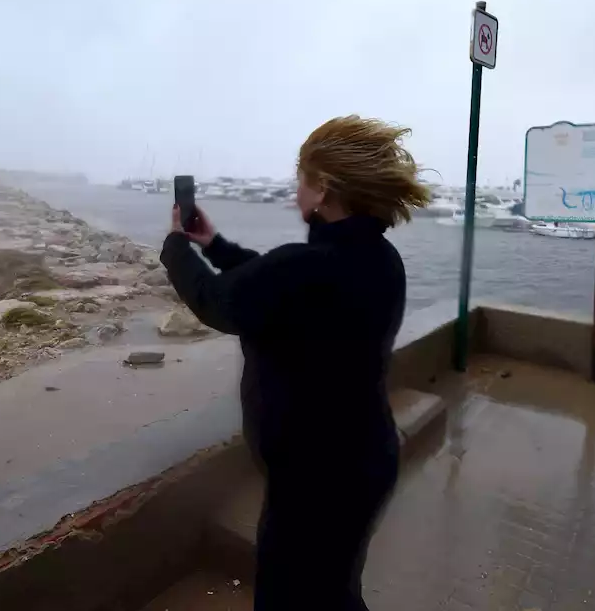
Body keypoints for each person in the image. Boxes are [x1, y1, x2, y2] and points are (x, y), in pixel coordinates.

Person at [160, 115, 430, 610]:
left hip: (314, 482)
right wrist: (216, 246)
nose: (294, 195)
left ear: (323, 188)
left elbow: (218, 301)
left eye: (300, 182)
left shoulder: (307, 268)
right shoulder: (378, 260)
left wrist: (176, 245)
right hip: (363, 460)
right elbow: (279, 289)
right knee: (334, 592)